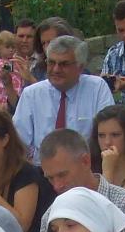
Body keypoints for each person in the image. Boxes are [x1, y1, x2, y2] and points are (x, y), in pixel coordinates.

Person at [35, 128, 125, 232]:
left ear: (85, 161)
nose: (57, 186)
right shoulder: (50, 217)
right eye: (50, 178)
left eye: (62, 175)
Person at [11, 35, 114, 166]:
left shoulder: (97, 88)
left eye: (64, 64)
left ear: (80, 67)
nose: (56, 69)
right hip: (42, 170)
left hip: (86, 168)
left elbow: (109, 135)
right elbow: (19, 143)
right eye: (51, 62)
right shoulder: (31, 94)